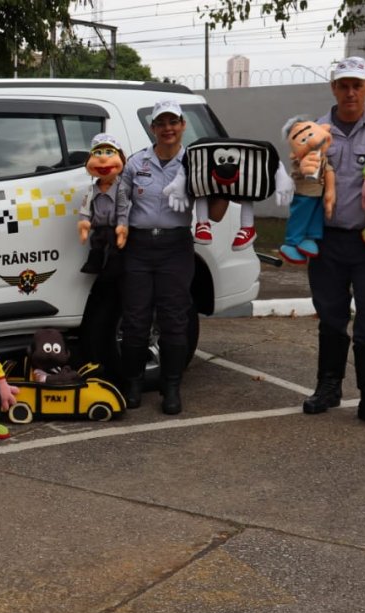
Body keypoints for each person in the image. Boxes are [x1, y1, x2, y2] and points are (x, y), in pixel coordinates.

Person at [116, 99, 227, 414]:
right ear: (152, 128)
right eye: (161, 123)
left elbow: (215, 214)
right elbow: (120, 204)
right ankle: (134, 384)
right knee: (136, 318)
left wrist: (229, 190)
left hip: (175, 247)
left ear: (183, 126)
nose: (167, 128)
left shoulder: (197, 165)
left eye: (173, 122)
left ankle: (172, 386)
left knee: (174, 319)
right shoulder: (136, 164)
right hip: (137, 246)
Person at [305, 56, 365, 430]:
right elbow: (302, 182)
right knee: (330, 317)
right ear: (333, 88)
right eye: (343, 85)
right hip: (327, 243)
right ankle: (328, 388)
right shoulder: (315, 130)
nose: (350, 92)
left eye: (357, 85)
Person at [75, 133, 128, 383]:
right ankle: (95, 263)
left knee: (115, 259)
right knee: (97, 250)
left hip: (114, 229)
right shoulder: (91, 189)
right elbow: (86, 209)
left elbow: (123, 209)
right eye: (98, 155)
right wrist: (84, 225)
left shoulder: (121, 188)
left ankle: (111, 266)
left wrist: (122, 228)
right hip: (99, 230)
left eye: (109, 155)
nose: (104, 163)